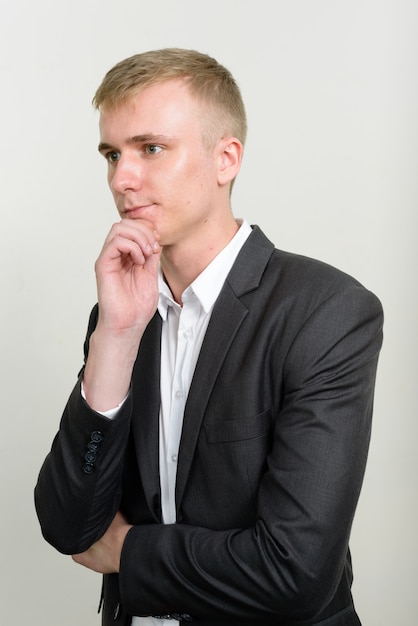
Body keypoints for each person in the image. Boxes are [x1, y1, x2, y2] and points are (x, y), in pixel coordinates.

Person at [35, 48, 383, 626]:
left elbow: (294, 572)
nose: (122, 178)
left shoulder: (326, 312)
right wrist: (117, 338)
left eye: (151, 148)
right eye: (111, 154)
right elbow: (68, 526)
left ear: (226, 159)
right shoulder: (118, 316)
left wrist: (128, 553)